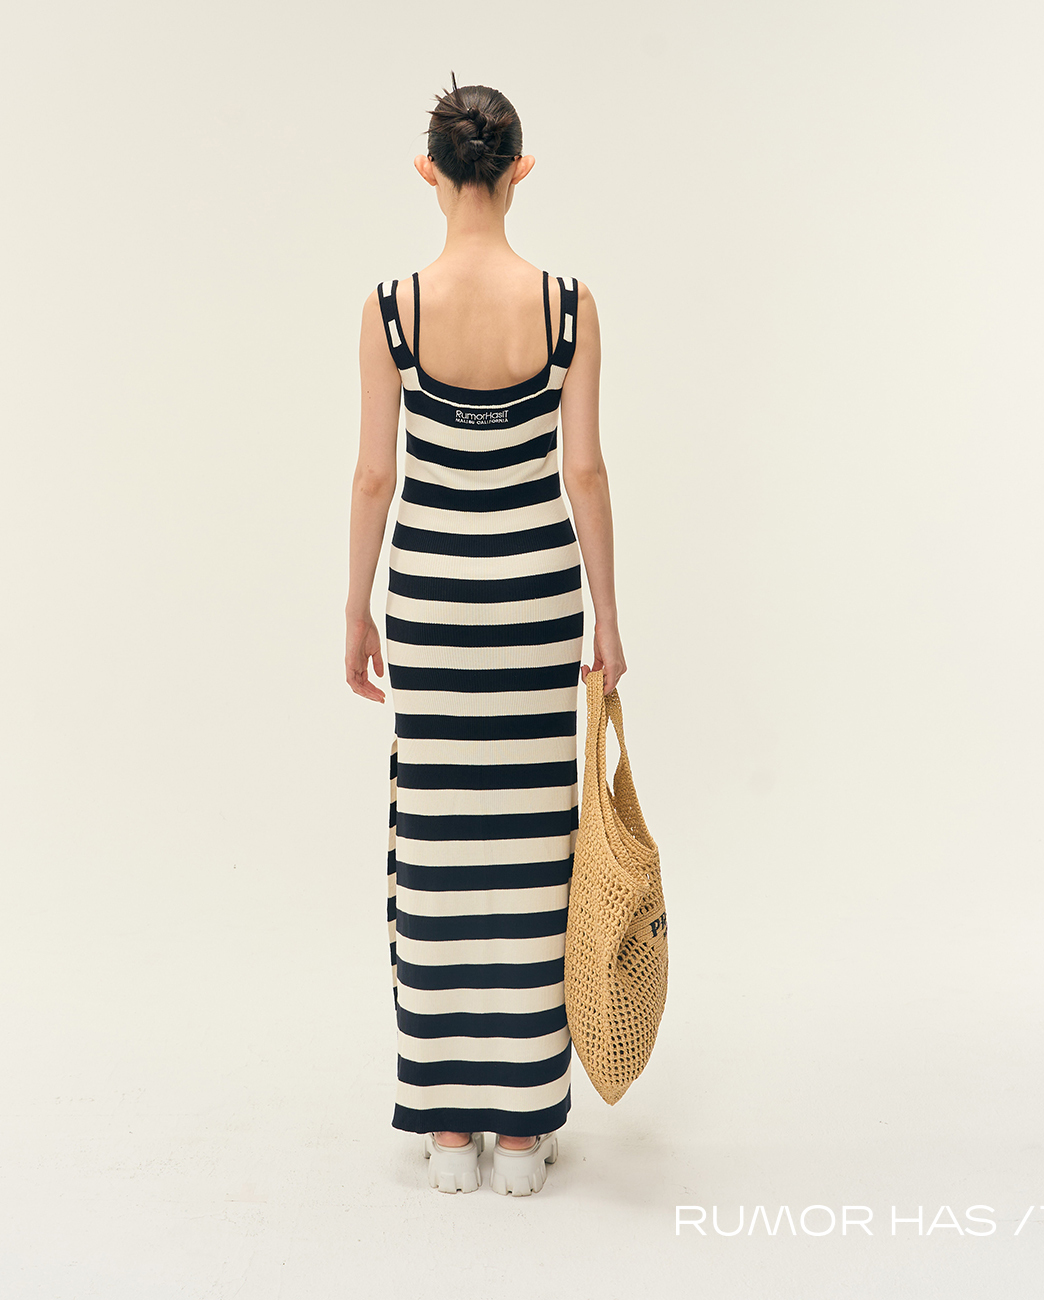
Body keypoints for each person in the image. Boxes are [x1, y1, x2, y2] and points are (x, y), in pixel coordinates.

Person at [344, 75, 625, 1197]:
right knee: (533, 848)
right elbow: (584, 471)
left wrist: (355, 607)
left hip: (432, 599)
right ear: (519, 171)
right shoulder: (567, 307)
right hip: (535, 601)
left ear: (429, 170)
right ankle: (521, 1134)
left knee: (440, 846)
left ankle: (448, 1130)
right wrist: (608, 615)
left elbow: (374, 476)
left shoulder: (391, 309)